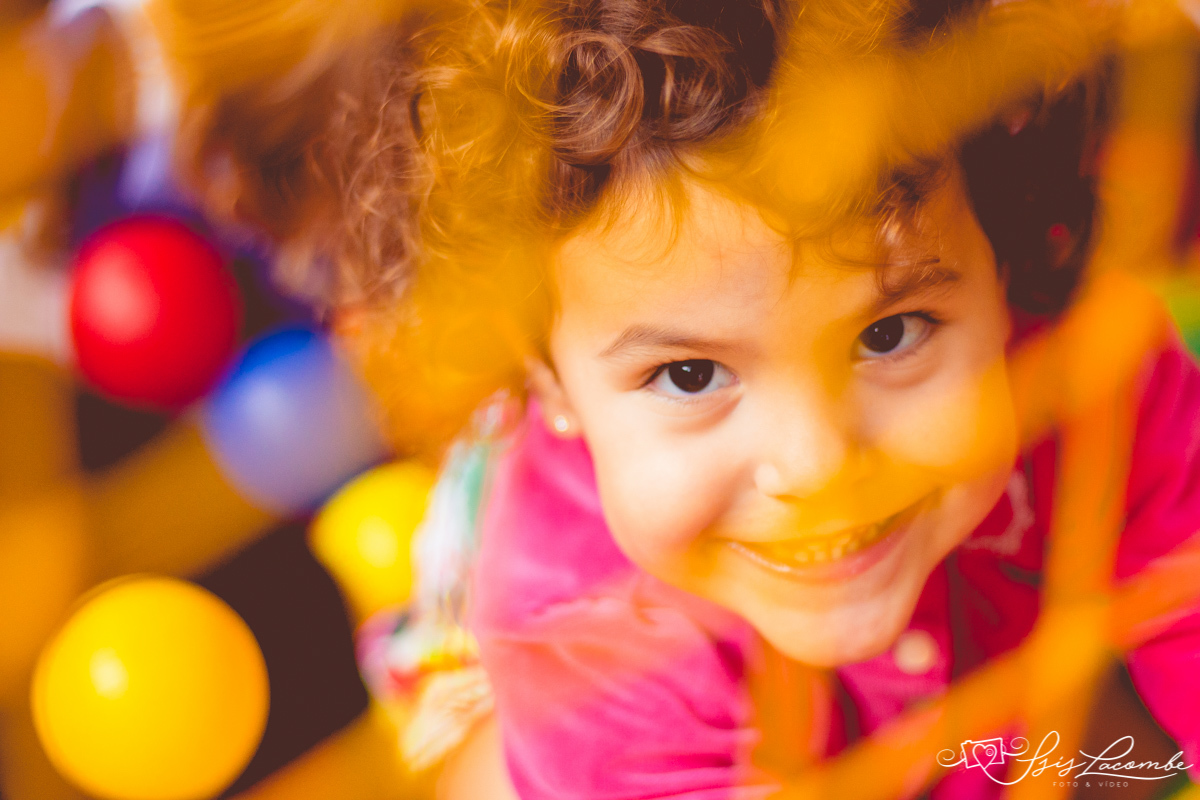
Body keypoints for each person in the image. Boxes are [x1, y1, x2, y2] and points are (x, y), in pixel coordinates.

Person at [169, 0, 1200, 796]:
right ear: (547, 377)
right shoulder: (589, 649)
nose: (818, 461)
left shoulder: (1088, 354)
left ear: (1003, 257)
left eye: (888, 333)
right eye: (691, 374)